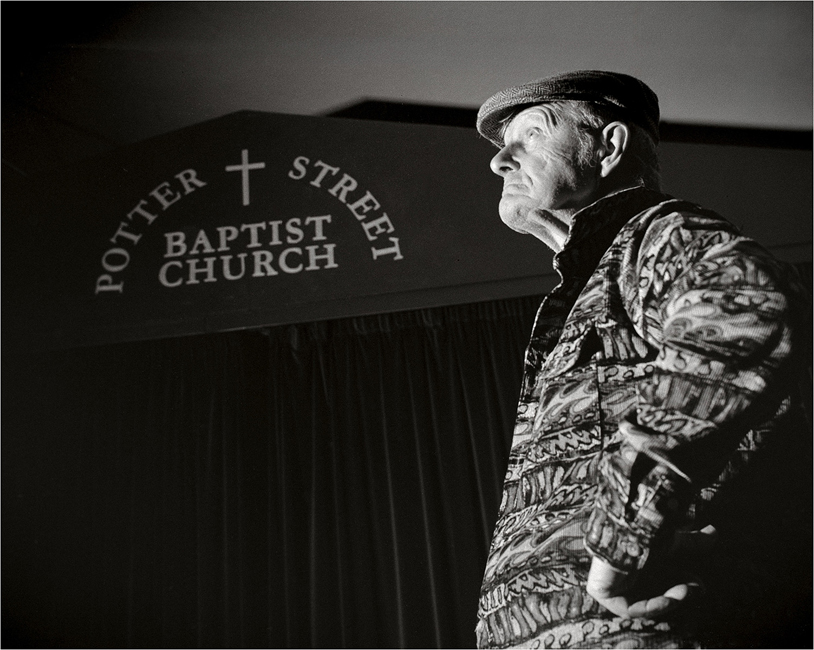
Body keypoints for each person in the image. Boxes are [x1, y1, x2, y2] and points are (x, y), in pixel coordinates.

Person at [473, 70, 811, 649]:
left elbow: (744, 305)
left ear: (609, 147)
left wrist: (622, 536)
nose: (499, 161)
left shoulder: (654, 235)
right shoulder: (593, 279)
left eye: (532, 135)